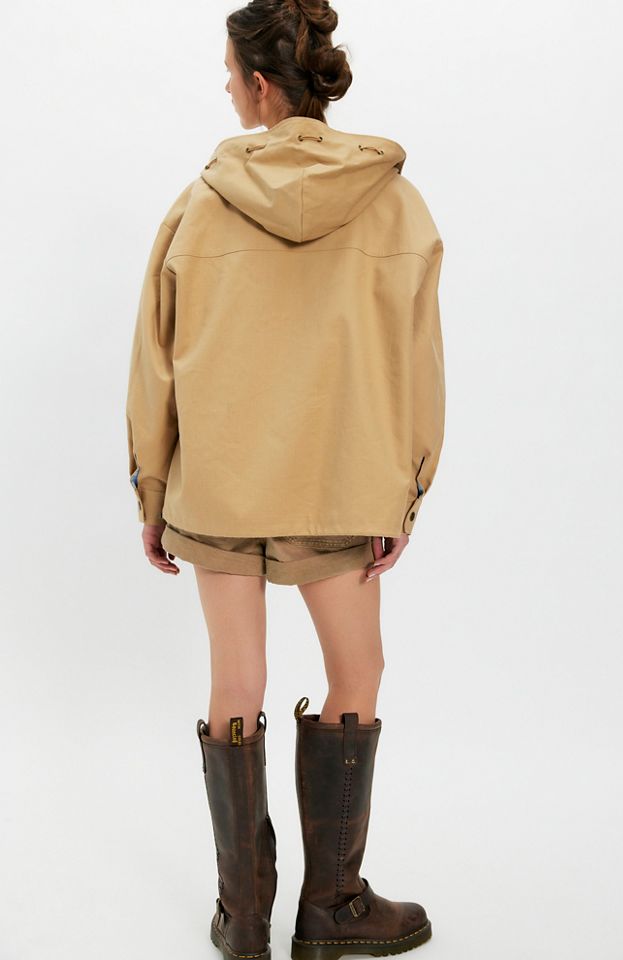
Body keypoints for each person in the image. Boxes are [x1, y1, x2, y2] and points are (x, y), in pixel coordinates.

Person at [125, 1, 445, 958]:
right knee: (359, 672)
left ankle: (245, 920)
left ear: (262, 85)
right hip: (341, 481)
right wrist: (406, 487)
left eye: (231, 72)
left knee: (235, 679)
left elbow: (155, 360)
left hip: (219, 483)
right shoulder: (394, 203)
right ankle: (332, 908)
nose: (226, 87)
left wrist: (154, 490)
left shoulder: (200, 203)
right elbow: (418, 362)